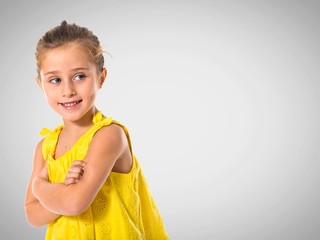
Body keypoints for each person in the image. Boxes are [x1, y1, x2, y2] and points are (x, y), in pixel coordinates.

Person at [24, 20, 169, 240]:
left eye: (79, 76)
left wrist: (40, 186)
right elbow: (32, 215)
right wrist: (63, 190)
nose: (68, 91)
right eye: (55, 80)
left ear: (101, 77)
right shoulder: (45, 147)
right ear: (40, 85)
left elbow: (74, 203)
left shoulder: (109, 135)